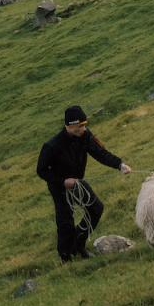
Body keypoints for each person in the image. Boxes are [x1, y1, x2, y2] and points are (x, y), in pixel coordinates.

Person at [35, 105, 132, 263]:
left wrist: (119, 165)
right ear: (69, 126)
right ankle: (65, 256)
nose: (83, 128)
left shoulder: (86, 136)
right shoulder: (52, 146)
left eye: (84, 124)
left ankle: (78, 245)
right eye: (79, 126)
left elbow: (100, 153)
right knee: (65, 220)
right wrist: (63, 181)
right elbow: (41, 170)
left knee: (96, 209)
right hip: (60, 187)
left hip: (78, 183)